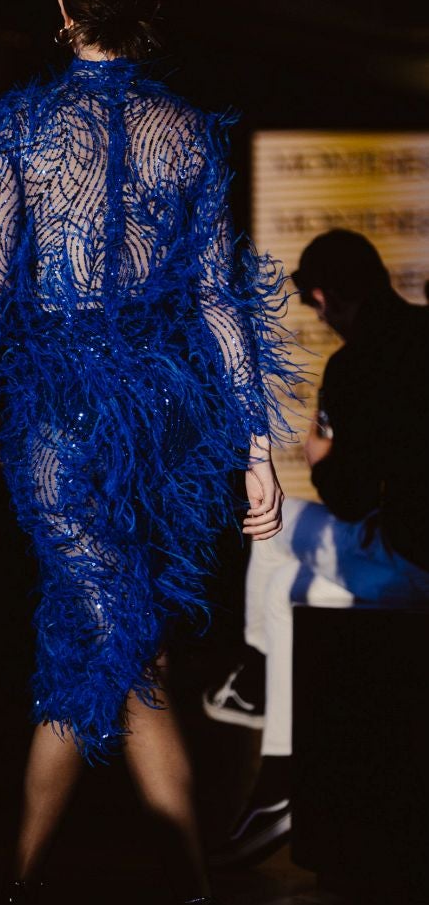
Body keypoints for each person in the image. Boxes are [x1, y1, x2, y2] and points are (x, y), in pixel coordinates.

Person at [0, 0, 290, 905]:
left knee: (126, 650)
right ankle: (65, 878)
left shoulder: (20, 124)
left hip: (56, 413)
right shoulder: (186, 131)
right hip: (156, 421)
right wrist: (257, 447)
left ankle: (174, 884)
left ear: (64, 11)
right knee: (108, 643)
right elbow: (222, 300)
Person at [203, 229, 429, 865]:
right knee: (288, 591)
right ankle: (278, 788)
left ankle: (251, 675)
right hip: (408, 556)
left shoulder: (353, 365)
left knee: (271, 526)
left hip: (409, 562)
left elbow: (349, 499)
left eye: (312, 302)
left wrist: (318, 455)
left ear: (327, 297)